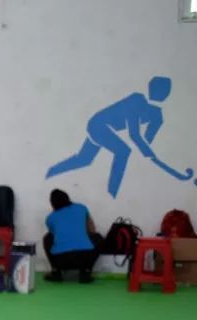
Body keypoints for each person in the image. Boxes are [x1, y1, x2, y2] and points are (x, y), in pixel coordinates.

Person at [46, 76, 175, 198]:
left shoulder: (157, 116)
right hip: (98, 124)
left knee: (84, 159)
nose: (160, 93)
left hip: (104, 128)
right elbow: (134, 134)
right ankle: (111, 193)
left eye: (164, 91)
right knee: (123, 151)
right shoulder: (136, 100)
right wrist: (149, 154)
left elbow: (146, 140)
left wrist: (148, 153)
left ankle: (52, 171)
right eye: (158, 89)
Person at [43, 189, 100, 283]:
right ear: (67, 198)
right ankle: (86, 272)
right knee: (97, 237)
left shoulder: (50, 218)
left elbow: (55, 236)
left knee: (47, 238)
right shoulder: (81, 208)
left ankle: (56, 272)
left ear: (52, 203)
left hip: (61, 261)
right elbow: (92, 230)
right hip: (85, 258)